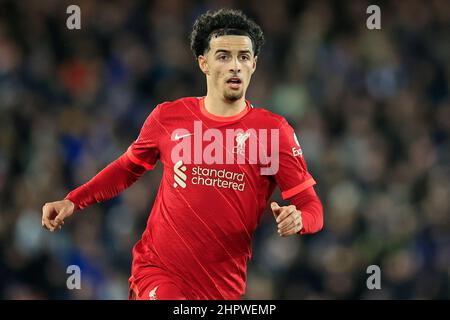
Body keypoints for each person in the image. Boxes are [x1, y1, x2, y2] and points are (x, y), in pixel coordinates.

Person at [41, 8, 324, 300]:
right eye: (223, 56)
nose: (235, 66)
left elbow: (312, 206)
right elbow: (128, 168)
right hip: (158, 272)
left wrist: (301, 219)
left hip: (221, 288)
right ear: (204, 63)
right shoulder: (169, 117)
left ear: (254, 64)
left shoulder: (273, 132)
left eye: (243, 57)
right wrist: (73, 200)